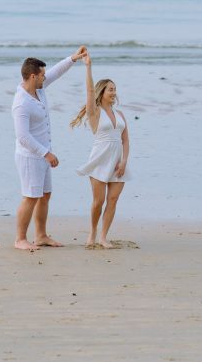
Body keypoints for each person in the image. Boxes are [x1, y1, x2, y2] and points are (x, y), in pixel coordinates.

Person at [12, 48, 87, 251]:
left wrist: (73, 58)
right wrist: (46, 153)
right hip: (30, 156)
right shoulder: (21, 103)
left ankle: (41, 236)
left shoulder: (40, 89)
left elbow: (56, 72)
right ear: (32, 75)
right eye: (42, 75)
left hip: (43, 154)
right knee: (31, 197)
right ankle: (20, 239)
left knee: (45, 195)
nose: (45, 77)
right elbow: (23, 137)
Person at [71, 52, 130, 248]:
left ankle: (103, 237)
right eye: (110, 89)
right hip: (99, 159)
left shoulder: (120, 114)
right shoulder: (95, 113)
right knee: (99, 201)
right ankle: (93, 231)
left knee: (113, 200)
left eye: (115, 89)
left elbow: (125, 140)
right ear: (102, 92)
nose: (113, 92)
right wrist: (88, 67)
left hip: (118, 163)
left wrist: (124, 162)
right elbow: (89, 92)